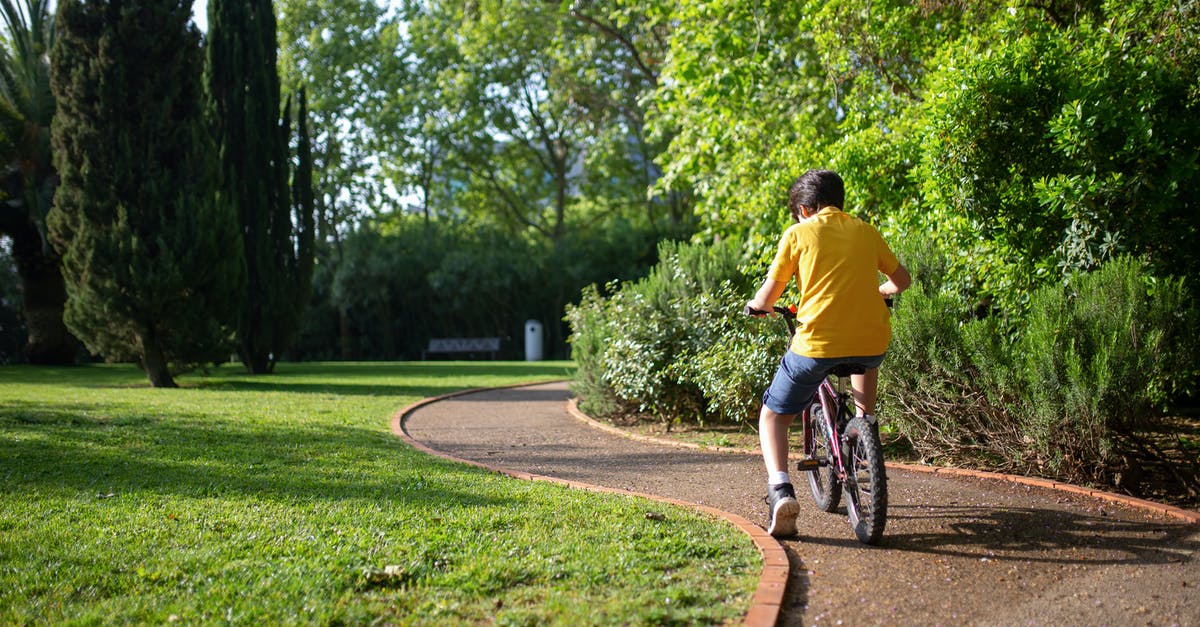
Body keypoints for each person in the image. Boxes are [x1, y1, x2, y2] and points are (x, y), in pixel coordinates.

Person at [745, 169, 911, 537]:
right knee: (863, 358)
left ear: (805, 209)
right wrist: (880, 292)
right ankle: (864, 432)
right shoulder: (866, 231)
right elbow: (902, 281)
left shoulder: (798, 234)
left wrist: (757, 306)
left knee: (773, 415)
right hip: (871, 342)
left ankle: (781, 491)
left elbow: (769, 296)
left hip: (817, 345)